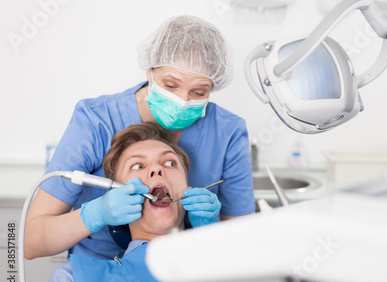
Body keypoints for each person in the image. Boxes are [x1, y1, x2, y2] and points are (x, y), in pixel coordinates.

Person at [25, 15, 255, 261]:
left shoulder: (228, 132)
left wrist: (209, 230)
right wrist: (94, 215)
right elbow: (31, 242)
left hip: (186, 273)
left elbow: (244, 248)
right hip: (99, 274)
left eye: (199, 92)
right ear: (150, 71)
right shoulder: (96, 121)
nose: (183, 100)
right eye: (170, 85)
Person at [47, 123, 310, 282]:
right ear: (116, 195)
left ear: (187, 189)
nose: (157, 171)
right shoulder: (75, 281)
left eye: (170, 163)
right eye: (138, 165)